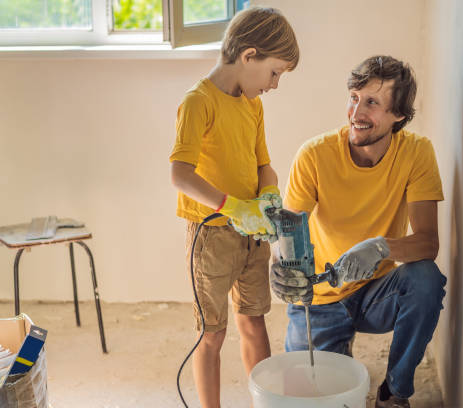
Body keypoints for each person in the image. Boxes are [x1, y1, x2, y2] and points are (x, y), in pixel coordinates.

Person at [270, 55, 446, 408]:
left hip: (375, 293)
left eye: (372, 103)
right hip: (319, 295)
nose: (356, 112)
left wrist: (382, 248)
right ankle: (335, 347)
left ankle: (394, 393)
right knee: (312, 393)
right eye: (354, 97)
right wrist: (280, 267)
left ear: (399, 115)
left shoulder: (416, 153)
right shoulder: (315, 155)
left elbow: (428, 243)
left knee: (425, 280)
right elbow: (287, 232)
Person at [169, 7, 299, 408]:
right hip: (210, 237)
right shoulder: (198, 102)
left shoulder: (252, 105)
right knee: (212, 333)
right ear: (249, 56)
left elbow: (264, 165)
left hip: (252, 235)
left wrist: (268, 195)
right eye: (275, 72)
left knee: (255, 321)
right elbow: (180, 174)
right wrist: (232, 207)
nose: (275, 84)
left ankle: (268, 401)